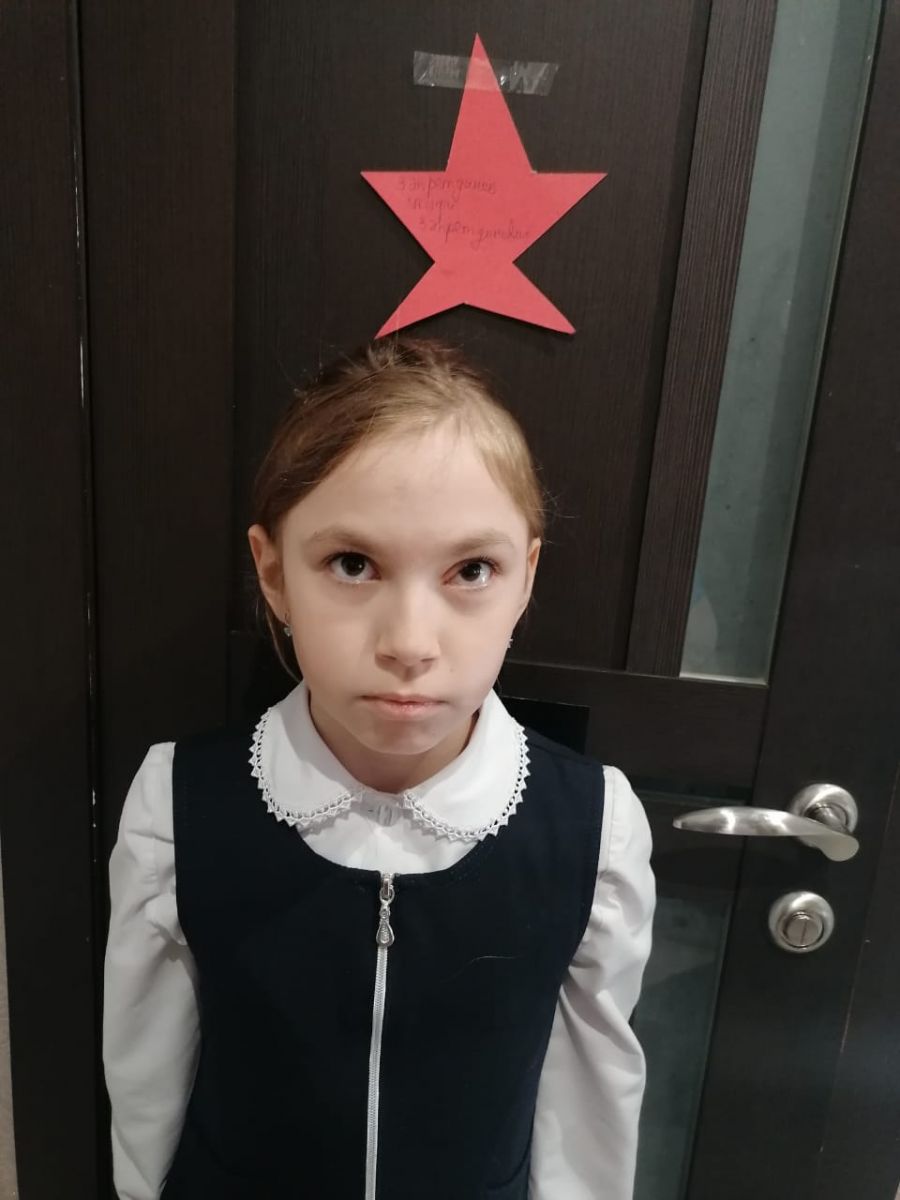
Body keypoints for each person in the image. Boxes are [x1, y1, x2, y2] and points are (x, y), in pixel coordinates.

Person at [103, 337, 656, 1200]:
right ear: (273, 572)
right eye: (353, 565)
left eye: (471, 570)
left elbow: (591, 1105)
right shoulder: (180, 805)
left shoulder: (593, 827)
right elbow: (145, 1083)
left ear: (525, 578)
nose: (409, 643)